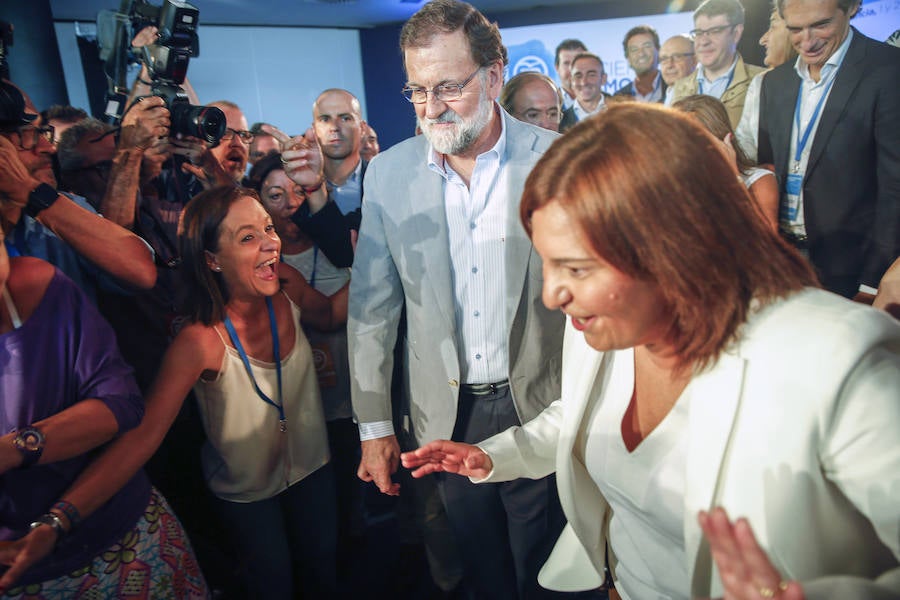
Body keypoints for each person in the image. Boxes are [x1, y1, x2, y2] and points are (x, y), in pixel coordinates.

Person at [402, 102, 900, 600]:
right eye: (549, 265)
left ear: (672, 249)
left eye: (576, 269)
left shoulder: (840, 360)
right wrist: (493, 456)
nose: (552, 296)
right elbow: (579, 417)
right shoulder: (605, 329)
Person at [349, 1, 567, 597]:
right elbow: (371, 310)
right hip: (442, 416)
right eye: (417, 91)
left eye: (448, 86)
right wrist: (373, 425)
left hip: (540, 403)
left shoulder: (557, 162)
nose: (431, 108)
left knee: (547, 571)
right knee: (479, 571)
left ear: (494, 76)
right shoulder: (389, 174)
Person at [44, 180, 349, 597]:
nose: (269, 244)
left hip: (314, 467)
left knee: (324, 568)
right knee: (272, 583)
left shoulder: (287, 286)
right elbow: (142, 437)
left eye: (267, 229)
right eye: (247, 237)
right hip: (246, 496)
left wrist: (379, 254)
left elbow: (331, 315)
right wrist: (58, 519)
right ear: (213, 260)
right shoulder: (200, 340)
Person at [0, 234, 207, 598]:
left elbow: (122, 405)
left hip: (127, 536)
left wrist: (16, 449)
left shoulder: (41, 285)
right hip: (25, 582)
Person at [735, 0, 900, 299]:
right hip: (783, 265)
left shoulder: (888, 70)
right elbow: (766, 167)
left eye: (821, 25)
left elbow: (895, 189)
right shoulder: (774, 83)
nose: (807, 42)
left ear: (851, 8)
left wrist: (873, 281)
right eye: (796, 29)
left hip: (853, 270)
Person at [0, 80, 156, 300]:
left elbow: (140, 271)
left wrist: (29, 191)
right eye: (28, 134)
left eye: (43, 132)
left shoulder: (58, 207)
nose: (49, 148)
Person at [673, 94, 778, 229]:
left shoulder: (758, 180)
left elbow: (765, 240)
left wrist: (733, 176)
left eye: (696, 139)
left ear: (724, 139)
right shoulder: (673, 182)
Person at [670, 0, 765, 127]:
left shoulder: (761, 81)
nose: (703, 41)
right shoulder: (680, 87)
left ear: (736, 33)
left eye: (715, 31)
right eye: (698, 33)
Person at [313, 88, 367, 228]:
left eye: (345, 118)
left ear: (362, 128)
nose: (334, 127)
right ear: (314, 129)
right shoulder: (298, 191)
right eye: (325, 119)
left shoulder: (382, 182)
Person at [559, 53, 611, 133]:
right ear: (571, 81)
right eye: (578, 76)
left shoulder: (624, 115)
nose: (584, 82)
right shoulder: (560, 122)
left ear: (603, 79)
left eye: (591, 75)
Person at [614, 25, 666, 103]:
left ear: (658, 50)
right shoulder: (618, 98)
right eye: (634, 49)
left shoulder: (675, 88)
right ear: (627, 57)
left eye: (647, 46)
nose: (641, 53)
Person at [659, 35, 697, 105]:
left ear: (695, 60)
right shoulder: (659, 103)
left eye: (677, 57)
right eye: (664, 59)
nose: (669, 65)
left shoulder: (702, 98)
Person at [554, 39, 588, 109]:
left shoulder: (608, 102)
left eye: (577, 62)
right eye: (566, 63)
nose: (572, 69)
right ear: (557, 68)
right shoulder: (546, 102)